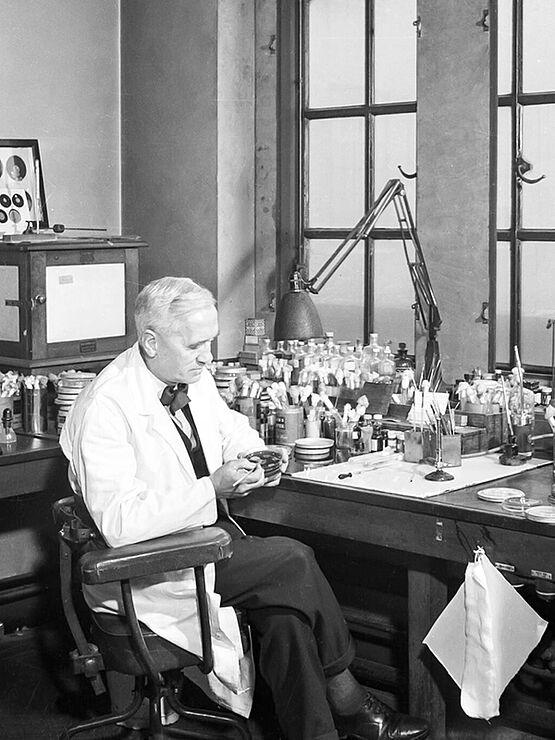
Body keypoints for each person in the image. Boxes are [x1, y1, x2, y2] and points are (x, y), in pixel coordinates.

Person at [60, 276, 429, 740]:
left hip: (206, 543)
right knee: (294, 560)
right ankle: (348, 696)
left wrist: (257, 457)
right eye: (195, 344)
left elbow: (230, 428)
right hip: (152, 567)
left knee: (287, 616)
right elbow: (120, 523)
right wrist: (211, 486)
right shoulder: (106, 407)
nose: (208, 356)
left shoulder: (188, 374)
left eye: (211, 342)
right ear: (150, 342)